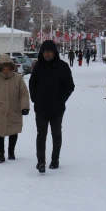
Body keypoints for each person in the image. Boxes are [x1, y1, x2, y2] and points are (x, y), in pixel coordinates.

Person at [29, 40, 75, 173]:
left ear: (54, 53)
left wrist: (61, 99)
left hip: (57, 108)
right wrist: (35, 99)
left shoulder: (63, 67)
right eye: (45, 52)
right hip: (41, 108)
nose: (47, 54)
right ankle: (41, 162)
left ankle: (55, 160)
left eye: (50, 52)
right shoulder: (38, 67)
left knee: (56, 134)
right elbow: (32, 85)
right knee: (41, 135)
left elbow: (70, 86)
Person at [0, 54, 30, 163]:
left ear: (12, 68)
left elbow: (24, 94)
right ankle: (0, 154)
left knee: (13, 131)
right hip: (0, 111)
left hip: (14, 110)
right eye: (4, 69)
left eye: (8, 69)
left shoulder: (18, 78)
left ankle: (11, 152)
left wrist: (25, 107)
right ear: (0, 69)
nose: (7, 71)